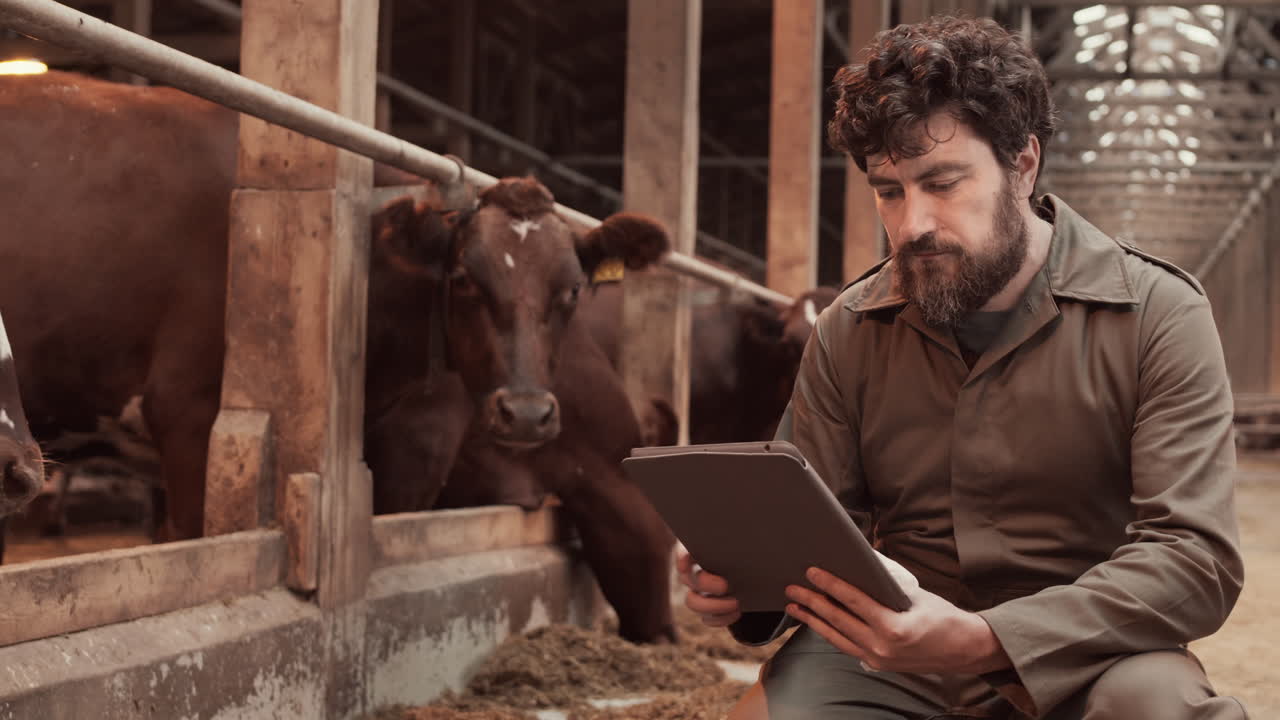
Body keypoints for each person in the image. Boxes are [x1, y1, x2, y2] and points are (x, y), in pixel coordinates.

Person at [679, 14, 1248, 720]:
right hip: (892, 650)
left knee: (1155, 707)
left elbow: (1194, 560)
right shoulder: (850, 331)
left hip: (1088, 652)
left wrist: (987, 639)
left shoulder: (1157, 313)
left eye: (942, 183)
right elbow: (809, 532)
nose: (912, 223)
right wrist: (742, 585)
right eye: (890, 191)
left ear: (1023, 164)